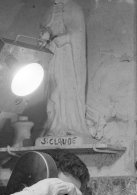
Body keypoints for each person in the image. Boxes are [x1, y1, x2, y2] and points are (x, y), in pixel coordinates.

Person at [39, 0, 92, 138]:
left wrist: (66, 38)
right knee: (53, 90)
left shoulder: (75, 8)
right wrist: (44, 39)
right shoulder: (48, 11)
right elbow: (45, 33)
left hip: (68, 58)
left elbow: (79, 33)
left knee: (67, 89)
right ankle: (54, 127)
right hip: (53, 56)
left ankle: (71, 126)